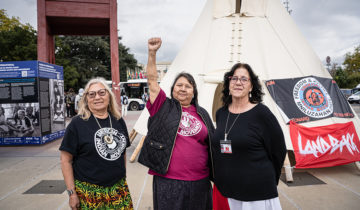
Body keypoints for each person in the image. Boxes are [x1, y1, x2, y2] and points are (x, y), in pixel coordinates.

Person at [138, 37, 214, 210]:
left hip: (200, 183)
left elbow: (212, 144)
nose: (182, 88)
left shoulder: (203, 114)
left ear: (194, 92)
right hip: (169, 182)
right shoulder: (163, 106)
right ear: (172, 89)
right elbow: (151, 80)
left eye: (188, 86)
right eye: (179, 85)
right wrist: (152, 53)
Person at [211, 63, 287, 210]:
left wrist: (269, 180)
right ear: (228, 83)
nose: (238, 82)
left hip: (255, 193)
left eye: (244, 79)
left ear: (251, 86)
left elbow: (278, 151)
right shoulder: (221, 113)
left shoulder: (262, 114)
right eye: (234, 78)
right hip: (227, 190)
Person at [59, 77, 133, 209]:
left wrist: (123, 176)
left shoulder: (117, 120)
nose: (97, 97)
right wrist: (72, 193)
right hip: (89, 193)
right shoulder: (77, 124)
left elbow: (122, 153)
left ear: (109, 96)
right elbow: (66, 160)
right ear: (86, 99)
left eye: (101, 93)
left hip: (118, 189)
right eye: (91, 94)